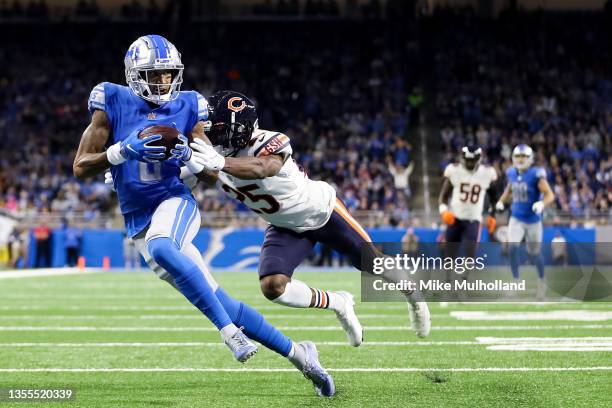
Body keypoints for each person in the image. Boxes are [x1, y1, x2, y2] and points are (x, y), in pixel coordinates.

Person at [74, 35, 334, 396]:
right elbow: (80, 166)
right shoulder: (110, 98)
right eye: (155, 74)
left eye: (168, 74)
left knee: (163, 245)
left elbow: (211, 172)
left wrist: (188, 157)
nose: (163, 82)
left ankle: (229, 335)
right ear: (134, 73)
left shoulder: (189, 105)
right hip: (138, 220)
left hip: (174, 202)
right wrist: (118, 153)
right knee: (227, 305)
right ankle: (301, 355)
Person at [178, 90, 431, 341]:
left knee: (373, 262)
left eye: (217, 126)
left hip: (322, 210)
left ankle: (414, 296)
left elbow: (264, 167)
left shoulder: (266, 141)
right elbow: (205, 176)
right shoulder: (213, 153)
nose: (211, 130)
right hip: (284, 226)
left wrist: (219, 162)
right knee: (273, 287)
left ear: (237, 129)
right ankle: (338, 302)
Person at [496, 144, 555, 299]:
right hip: (516, 218)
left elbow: (550, 194)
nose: (521, 160)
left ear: (530, 158)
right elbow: (509, 190)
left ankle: (542, 282)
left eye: (524, 157)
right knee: (512, 247)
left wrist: (542, 204)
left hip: (533, 220)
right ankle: (515, 282)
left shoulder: (536, 174)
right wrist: (502, 201)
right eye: (518, 156)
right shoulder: (511, 173)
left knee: (534, 254)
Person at [438, 145, 498, 285]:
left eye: (473, 161)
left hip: (473, 220)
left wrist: (492, 215)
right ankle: (448, 282)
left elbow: (494, 198)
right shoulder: (454, 170)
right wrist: (443, 211)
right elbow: (443, 196)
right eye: (468, 161)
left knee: (470, 254)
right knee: (449, 254)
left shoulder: (487, 173)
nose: (470, 164)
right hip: (454, 218)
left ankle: (463, 283)